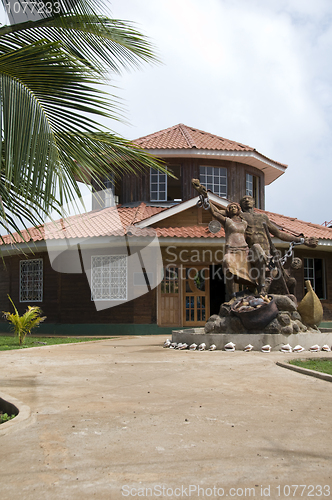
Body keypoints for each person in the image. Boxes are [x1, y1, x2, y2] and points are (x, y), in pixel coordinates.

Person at [239, 195, 318, 293]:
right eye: (244, 199)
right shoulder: (240, 217)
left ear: (254, 202)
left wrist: (302, 240)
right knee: (256, 249)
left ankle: (264, 293)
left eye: (249, 198)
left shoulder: (262, 217)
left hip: (266, 254)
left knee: (275, 274)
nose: (246, 200)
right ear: (240, 204)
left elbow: (279, 233)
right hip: (251, 253)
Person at [192, 179, 256, 298]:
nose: (232, 208)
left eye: (234, 207)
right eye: (230, 207)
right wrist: (205, 197)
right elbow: (215, 213)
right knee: (228, 266)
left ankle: (253, 290)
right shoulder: (227, 221)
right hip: (231, 249)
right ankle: (232, 295)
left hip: (244, 249)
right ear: (227, 211)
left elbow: (250, 236)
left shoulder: (245, 223)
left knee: (249, 273)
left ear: (238, 210)